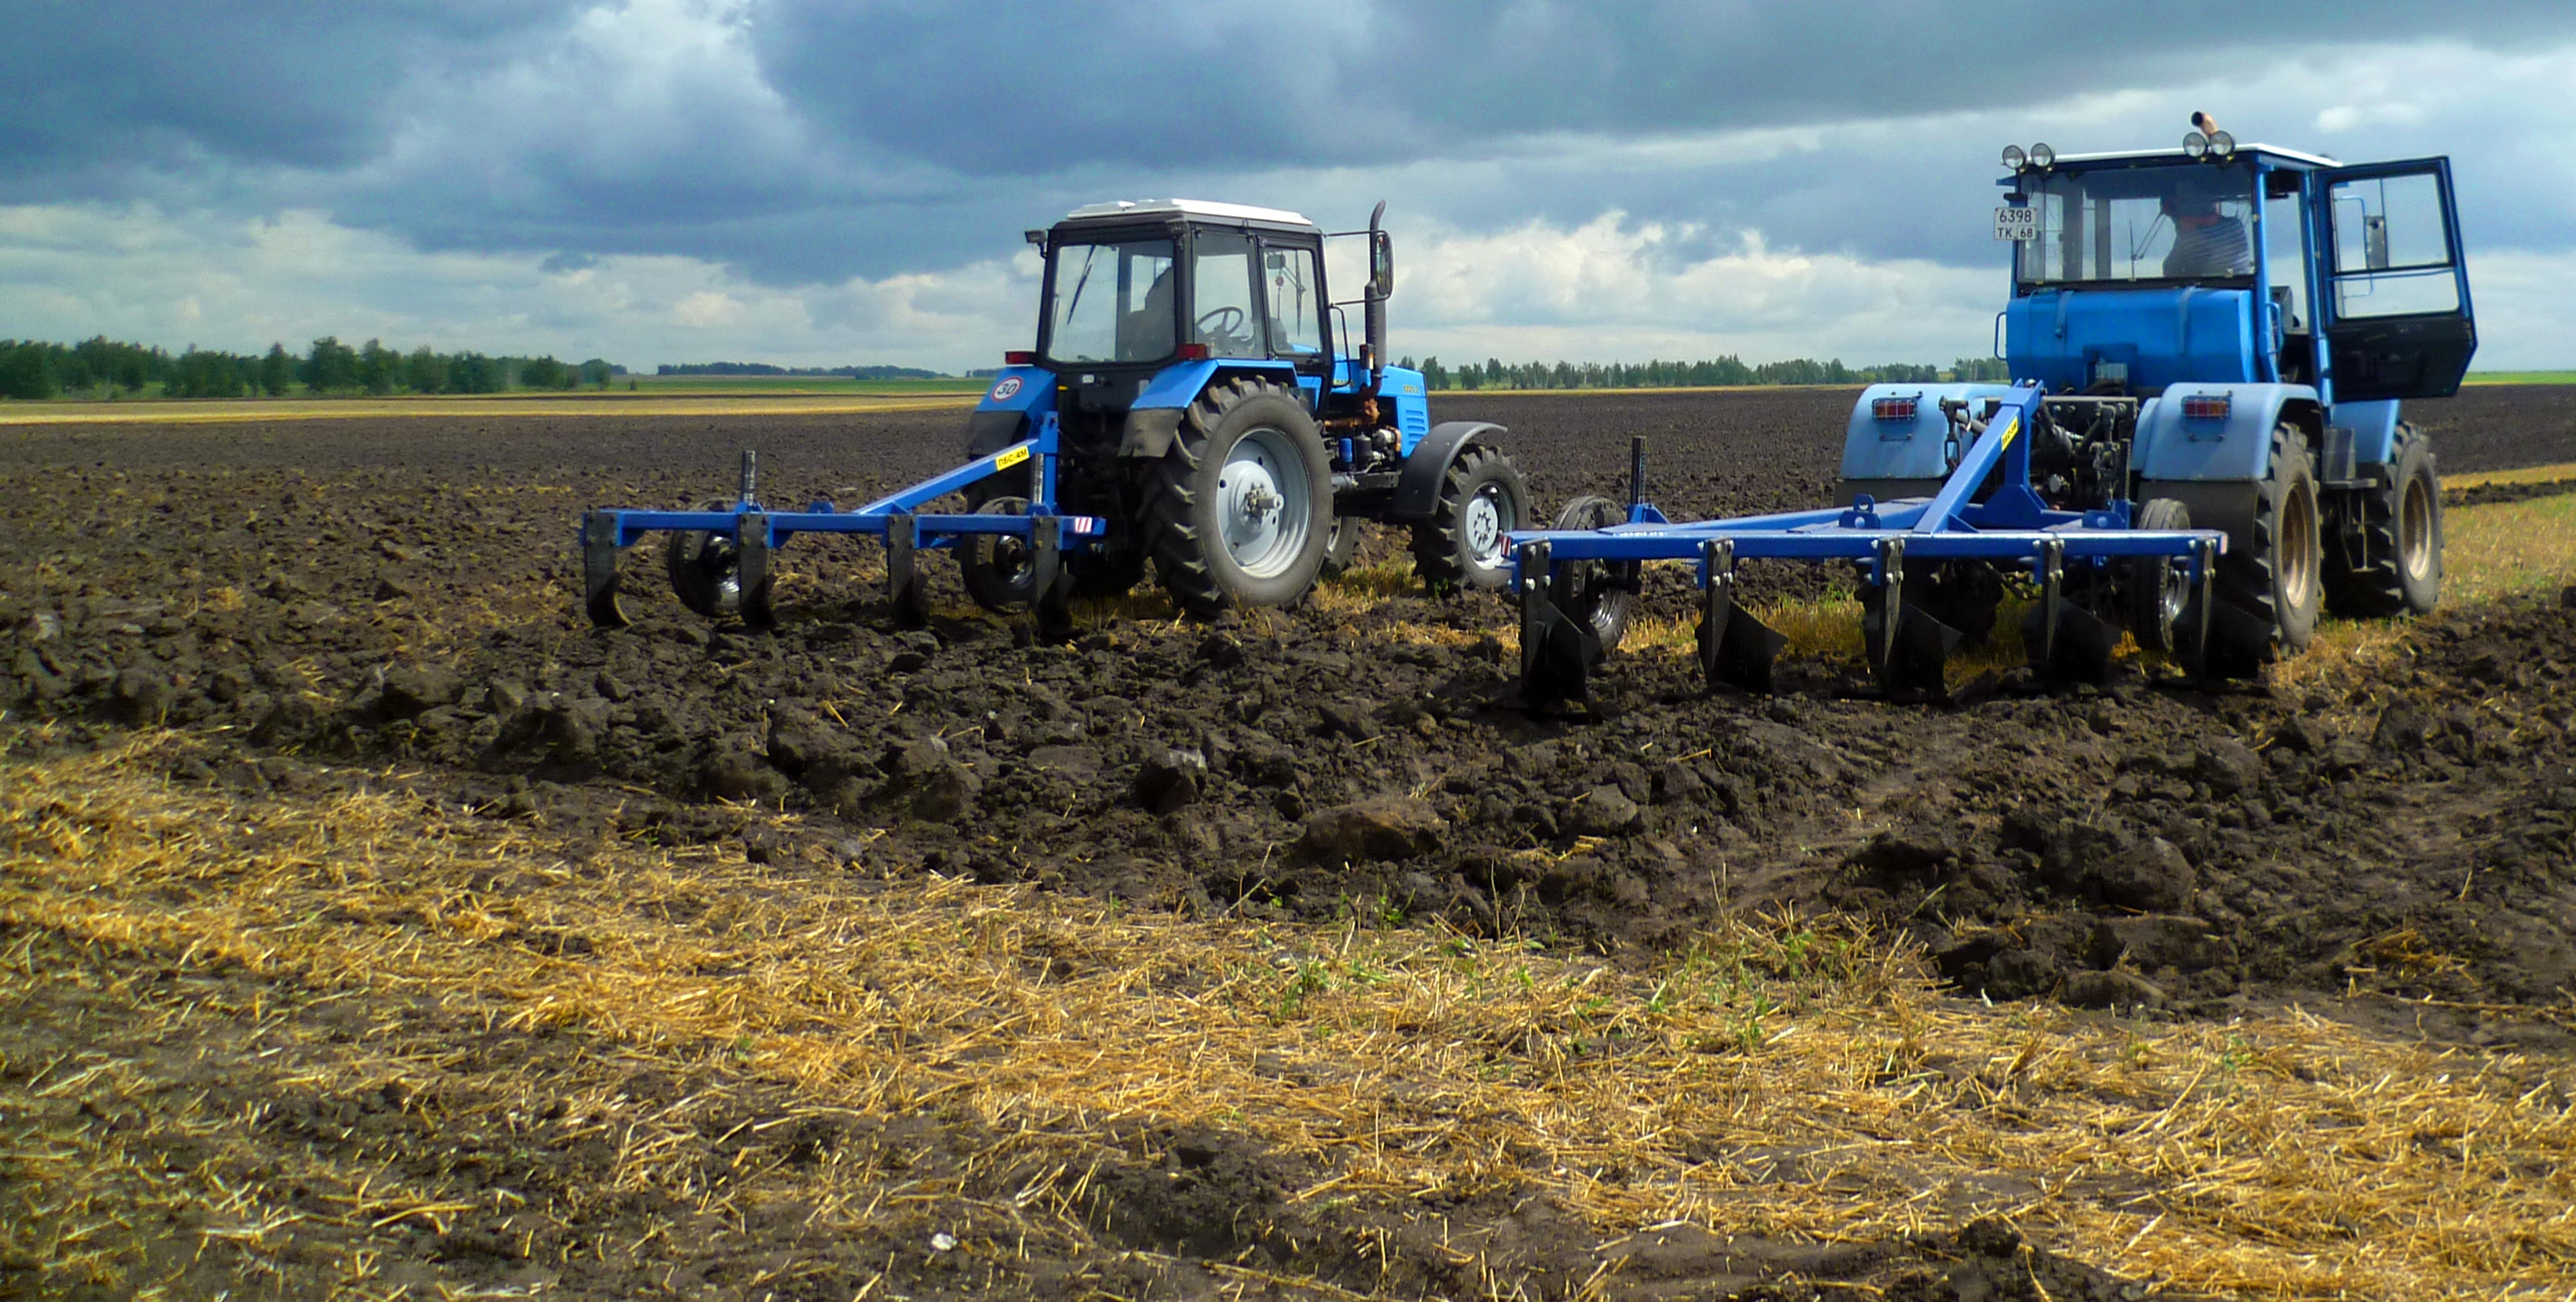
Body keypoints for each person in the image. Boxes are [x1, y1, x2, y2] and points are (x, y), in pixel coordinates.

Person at [2162, 190, 2250, 278]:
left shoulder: (2189, 240)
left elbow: (2169, 271)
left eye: (2176, 216)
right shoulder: (2235, 225)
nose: (2177, 222)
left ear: (2191, 215)